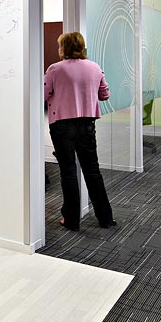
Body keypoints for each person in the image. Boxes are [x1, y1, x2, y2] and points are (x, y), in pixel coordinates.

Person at [43, 32, 116, 231]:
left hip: (62, 126)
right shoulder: (94, 67)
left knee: (68, 172)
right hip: (86, 124)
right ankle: (106, 218)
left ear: (64, 48)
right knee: (92, 170)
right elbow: (105, 94)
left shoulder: (54, 69)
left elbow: (43, 93)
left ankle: (71, 220)